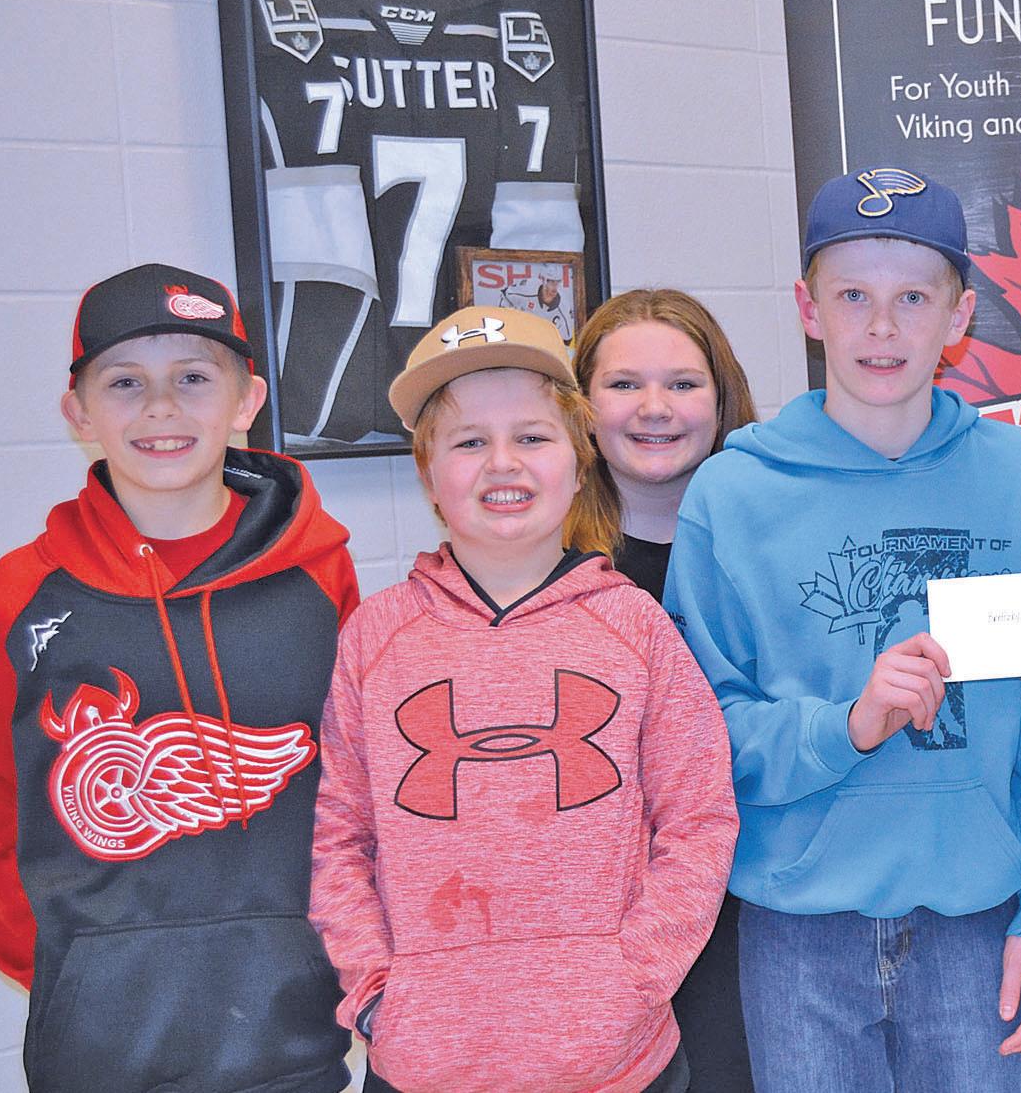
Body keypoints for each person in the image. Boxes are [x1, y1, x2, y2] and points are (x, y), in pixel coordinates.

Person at [664, 167, 1021, 1093]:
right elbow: (698, 733)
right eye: (852, 296)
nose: (882, 327)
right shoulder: (733, 494)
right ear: (807, 309)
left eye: (913, 299)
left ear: (960, 315)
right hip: (800, 926)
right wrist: (846, 724)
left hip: (975, 915)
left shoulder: (1019, 477)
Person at [308, 306, 738, 1093]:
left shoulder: (635, 627)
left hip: (620, 1064)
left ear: (579, 463)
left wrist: (635, 982)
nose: (502, 463)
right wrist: (375, 995)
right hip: (423, 1065)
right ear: (428, 475)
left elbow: (699, 818)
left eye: (533, 437)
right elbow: (339, 836)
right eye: (469, 442)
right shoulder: (376, 637)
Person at [0, 264, 357, 1092]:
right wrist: (66, 965)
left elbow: (355, 786)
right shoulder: (20, 592)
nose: (160, 407)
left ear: (247, 400)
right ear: (79, 412)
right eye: (124, 382)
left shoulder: (321, 576)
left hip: (291, 1032)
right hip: (98, 1043)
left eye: (193, 378)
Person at [575, 288, 759, 1091]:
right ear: (581, 405)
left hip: (749, 912)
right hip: (599, 930)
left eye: (683, 383)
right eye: (624, 384)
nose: (655, 408)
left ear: (722, 401)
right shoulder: (546, 572)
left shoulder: (774, 555)